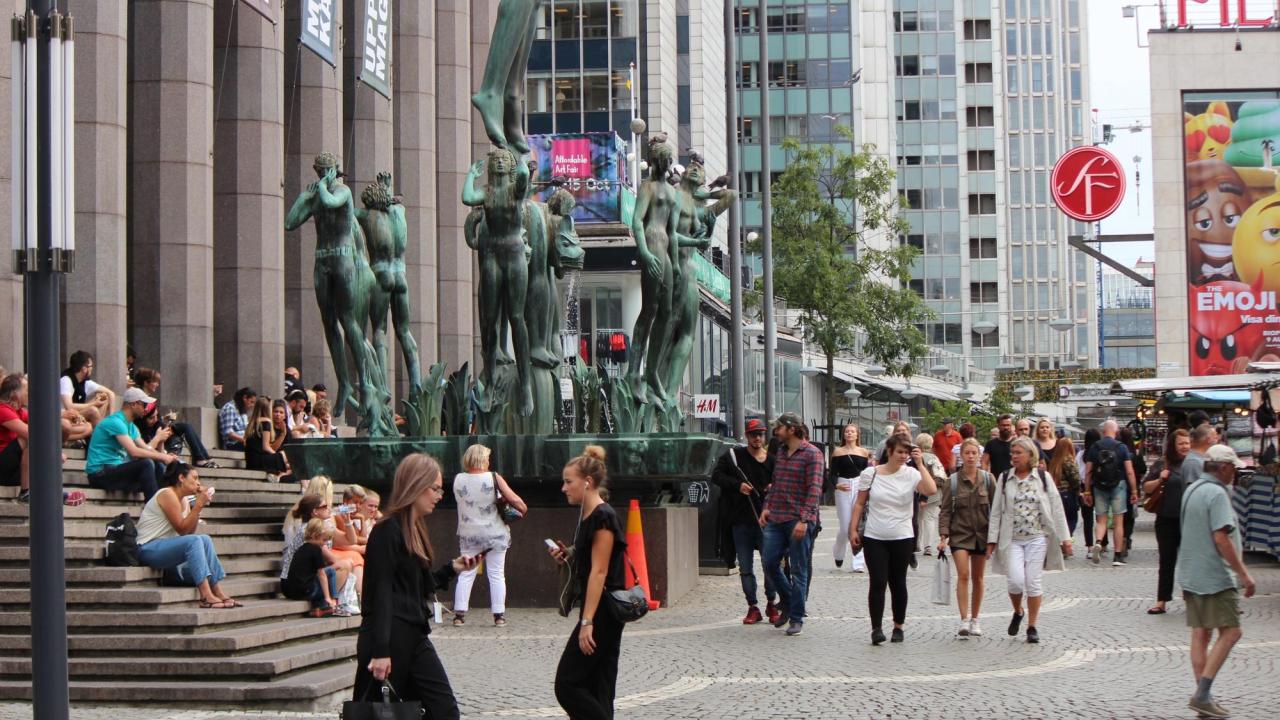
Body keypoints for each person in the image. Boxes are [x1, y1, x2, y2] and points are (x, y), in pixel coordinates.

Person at [353, 453, 480, 716]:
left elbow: (419, 587)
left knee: (444, 711)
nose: (439, 495)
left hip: (413, 635)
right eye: (434, 488)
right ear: (415, 486)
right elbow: (381, 593)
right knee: (375, 713)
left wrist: (452, 568)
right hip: (389, 638)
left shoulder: (414, 529)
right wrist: (381, 651)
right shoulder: (386, 530)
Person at [548, 446, 629, 719]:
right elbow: (589, 563)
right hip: (599, 608)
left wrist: (587, 622)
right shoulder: (588, 515)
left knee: (567, 684)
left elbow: (600, 572)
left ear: (588, 482)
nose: (563, 488)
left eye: (568, 481)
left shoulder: (603, 517)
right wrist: (568, 555)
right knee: (599, 685)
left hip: (603, 610)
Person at [1177, 444, 1257, 719]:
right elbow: (1221, 538)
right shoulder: (1216, 494)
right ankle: (1202, 694)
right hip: (1215, 575)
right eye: (1233, 468)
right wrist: (1244, 574)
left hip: (1191, 572)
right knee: (1232, 632)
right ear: (1223, 468)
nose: (1235, 473)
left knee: (1201, 633)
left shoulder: (1193, 489)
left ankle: (1204, 697)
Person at [849, 434, 937, 645]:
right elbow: (860, 503)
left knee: (898, 583)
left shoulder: (912, 474)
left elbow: (931, 490)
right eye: (899, 452)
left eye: (906, 453)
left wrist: (920, 463)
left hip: (902, 535)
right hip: (875, 535)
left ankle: (898, 625)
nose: (903, 456)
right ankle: (876, 628)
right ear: (889, 451)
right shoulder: (871, 474)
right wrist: (852, 529)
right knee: (878, 582)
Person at [987, 437, 1073, 644]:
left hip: (1037, 537)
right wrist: (992, 540)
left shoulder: (1042, 477)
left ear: (1030, 455)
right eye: (1012, 453)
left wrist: (1065, 539)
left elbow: (1056, 508)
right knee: (1015, 581)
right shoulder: (1005, 478)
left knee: (1033, 582)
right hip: (1012, 538)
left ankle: (1032, 626)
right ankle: (1018, 611)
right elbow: (996, 511)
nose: (1014, 457)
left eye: (1018, 453)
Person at [135, 462, 238, 608]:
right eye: (195, 478)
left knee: (205, 539)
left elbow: (189, 531)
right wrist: (198, 505)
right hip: (147, 548)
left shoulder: (183, 500)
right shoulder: (167, 494)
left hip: (164, 546)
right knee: (195, 540)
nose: (198, 483)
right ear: (181, 478)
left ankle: (217, 591)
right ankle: (205, 595)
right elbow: (182, 529)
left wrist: (198, 508)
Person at [759, 412, 824, 636]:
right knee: (768, 563)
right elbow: (775, 484)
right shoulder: (781, 452)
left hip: (798, 519)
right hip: (776, 517)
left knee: (798, 569)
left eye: (779, 428)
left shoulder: (813, 454)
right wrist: (767, 506)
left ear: (792, 429)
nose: (775, 431)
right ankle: (788, 601)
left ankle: (796, 618)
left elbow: (814, 490)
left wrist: (804, 520)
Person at [711, 418, 779, 624]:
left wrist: (771, 488)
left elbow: (781, 483)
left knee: (770, 565)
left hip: (766, 521)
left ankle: (771, 603)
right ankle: (753, 606)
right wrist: (737, 485)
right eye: (753, 434)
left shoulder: (773, 460)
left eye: (760, 434)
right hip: (740, 520)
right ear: (747, 436)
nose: (757, 438)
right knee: (746, 568)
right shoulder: (734, 456)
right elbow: (716, 476)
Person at [452, 443, 527, 627]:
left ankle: (459, 615)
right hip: (494, 533)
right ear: (482, 459)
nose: (488, 461)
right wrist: (523, 508)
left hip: (469, 533)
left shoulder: (458, 479)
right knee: (496, 574)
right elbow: (513, 499)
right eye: (487, 458)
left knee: (466, 574)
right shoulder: (493, 477)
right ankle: (498, 615)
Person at [937, 438, 995, 638]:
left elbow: (996, 511)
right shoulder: (951, 482)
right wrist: (943, 536)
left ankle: (975, 619)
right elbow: (944, 511)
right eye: (967, 453)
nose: (970, 456)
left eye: (974, 453)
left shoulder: (988, 480)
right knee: (963, 575)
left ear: (979, 456)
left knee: (978, 578)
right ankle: (963, 618)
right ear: (961, 456)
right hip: (960, 534)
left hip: (982, 534)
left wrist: (994, 538)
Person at [85, 387, 177, 501]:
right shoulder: (115, 422)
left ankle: (163, 507)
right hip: (100, 473)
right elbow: (134, 452)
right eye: (144, 405)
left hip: (115, 470)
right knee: (146, 464)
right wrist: (163, 456)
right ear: (133, 404)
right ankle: (153, 510)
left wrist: (166, 455)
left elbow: (146, 449)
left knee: (157, 464)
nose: (146, 409)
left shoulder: (131, 427)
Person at [1145, 429, 1190, 615]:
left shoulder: (1194, 463)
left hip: (1189, 520)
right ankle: (1162, 600)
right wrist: (1159, 479)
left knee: (1190, 561)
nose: (1185, 447)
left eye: (1187, 443)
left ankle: (1191, 599)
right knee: (1166, 561)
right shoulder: (1163, 463)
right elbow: (1146, 487)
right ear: (1173, 445)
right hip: (1166, 519)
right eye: (1181, 443)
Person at [1083, 420, 1138, 566]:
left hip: (1099, 486)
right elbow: (1130, 471)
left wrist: (1087, 491)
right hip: (1118, 485)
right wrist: (1134, 490)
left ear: (1103, 432)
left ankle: (1099, 541)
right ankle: (1118, 556)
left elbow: (1088, 471)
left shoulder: (1095, 447)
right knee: (1118, 521)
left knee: (1101, 520)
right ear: (1116, 431)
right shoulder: (1121, 447)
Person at [283, 519, 353, 617]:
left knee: (327, 573)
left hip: (292, 591)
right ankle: (333, 602)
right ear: (315, 536)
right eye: (324, 540)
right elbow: (321, 574)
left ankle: (319, 608)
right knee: (331, 572)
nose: (324, 544)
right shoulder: (316, 549)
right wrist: (328, 597)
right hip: (306, 592)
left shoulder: (301, 548)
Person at [829, 422, 871, 573]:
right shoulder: (838, 451)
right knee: (845, 526)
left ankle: (858, 562)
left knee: (857, 524)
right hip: (843, 485)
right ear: (844, 435)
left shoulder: (864, 452)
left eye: (852, 431)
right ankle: (838, 552)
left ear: (857, 434)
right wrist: (836, 485)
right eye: (847, 432)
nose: (849, 434)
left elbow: (867, 473)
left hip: (859, 485)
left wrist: (867, 489)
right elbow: (832, 474)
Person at [134, 400, 217, 469]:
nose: (155, 419)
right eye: (151, 418)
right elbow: (144, 450)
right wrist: (159, 439)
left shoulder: (157, 424)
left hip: (161, 450)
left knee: (186, 427)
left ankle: (202, 457)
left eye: (156, 416)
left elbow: (160, 447)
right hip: (151, 456)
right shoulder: (136, 429)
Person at [59, 350, 115, 427]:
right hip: (66, 416)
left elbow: (110, 393)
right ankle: (99, 434)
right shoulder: (66, 380)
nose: (92, 368)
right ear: (84, 368)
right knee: (93, 410)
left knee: (103, 397)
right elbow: (69, 406)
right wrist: (94, 404)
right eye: (91, 366)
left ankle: (98, 428)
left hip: (78, 413)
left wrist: (112, 416)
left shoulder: (85, 382)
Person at [244, 396, 291, 481]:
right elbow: (265, 447)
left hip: (250, 461)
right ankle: (278, 476)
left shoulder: (252, 422)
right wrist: (278, 457)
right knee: (283, 455)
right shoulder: (266, 422)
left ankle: (277, 476)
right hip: (259, 461)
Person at [914, 433, 945, 556]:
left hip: (920, 491)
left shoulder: (918, 458)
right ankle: (928, 545)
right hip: (935, 492)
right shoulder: (935, 458)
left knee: (919, 518)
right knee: (930, 519)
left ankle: (918, 543)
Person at [1048, 437, 1082, 540]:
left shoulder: (1054, 461)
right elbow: (1075, 478)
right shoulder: (1069, 460)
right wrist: (1078, 491)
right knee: (1072, 519)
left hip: (1056, 493)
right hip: (1068, 493)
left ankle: (1060, 539)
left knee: (1060, 520)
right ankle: (1066, 539)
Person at [1118, 426, 1145, 551]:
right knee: (1130, 516)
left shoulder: (1117, 452)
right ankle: (1127, 537)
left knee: (1120, 515)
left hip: (1118, 487)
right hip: (1132, 488)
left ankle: (1121, 536)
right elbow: (1143, 469)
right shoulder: (1135, 455)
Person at [1076, 428, 1101, 549]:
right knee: (1101, 516)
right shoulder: (1100, 454)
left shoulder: (1081, 455)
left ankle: (1090, 546)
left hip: (1084, 486)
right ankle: (1102, 542)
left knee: (1087, 518)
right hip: (1098, 485)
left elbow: (1078, 472)